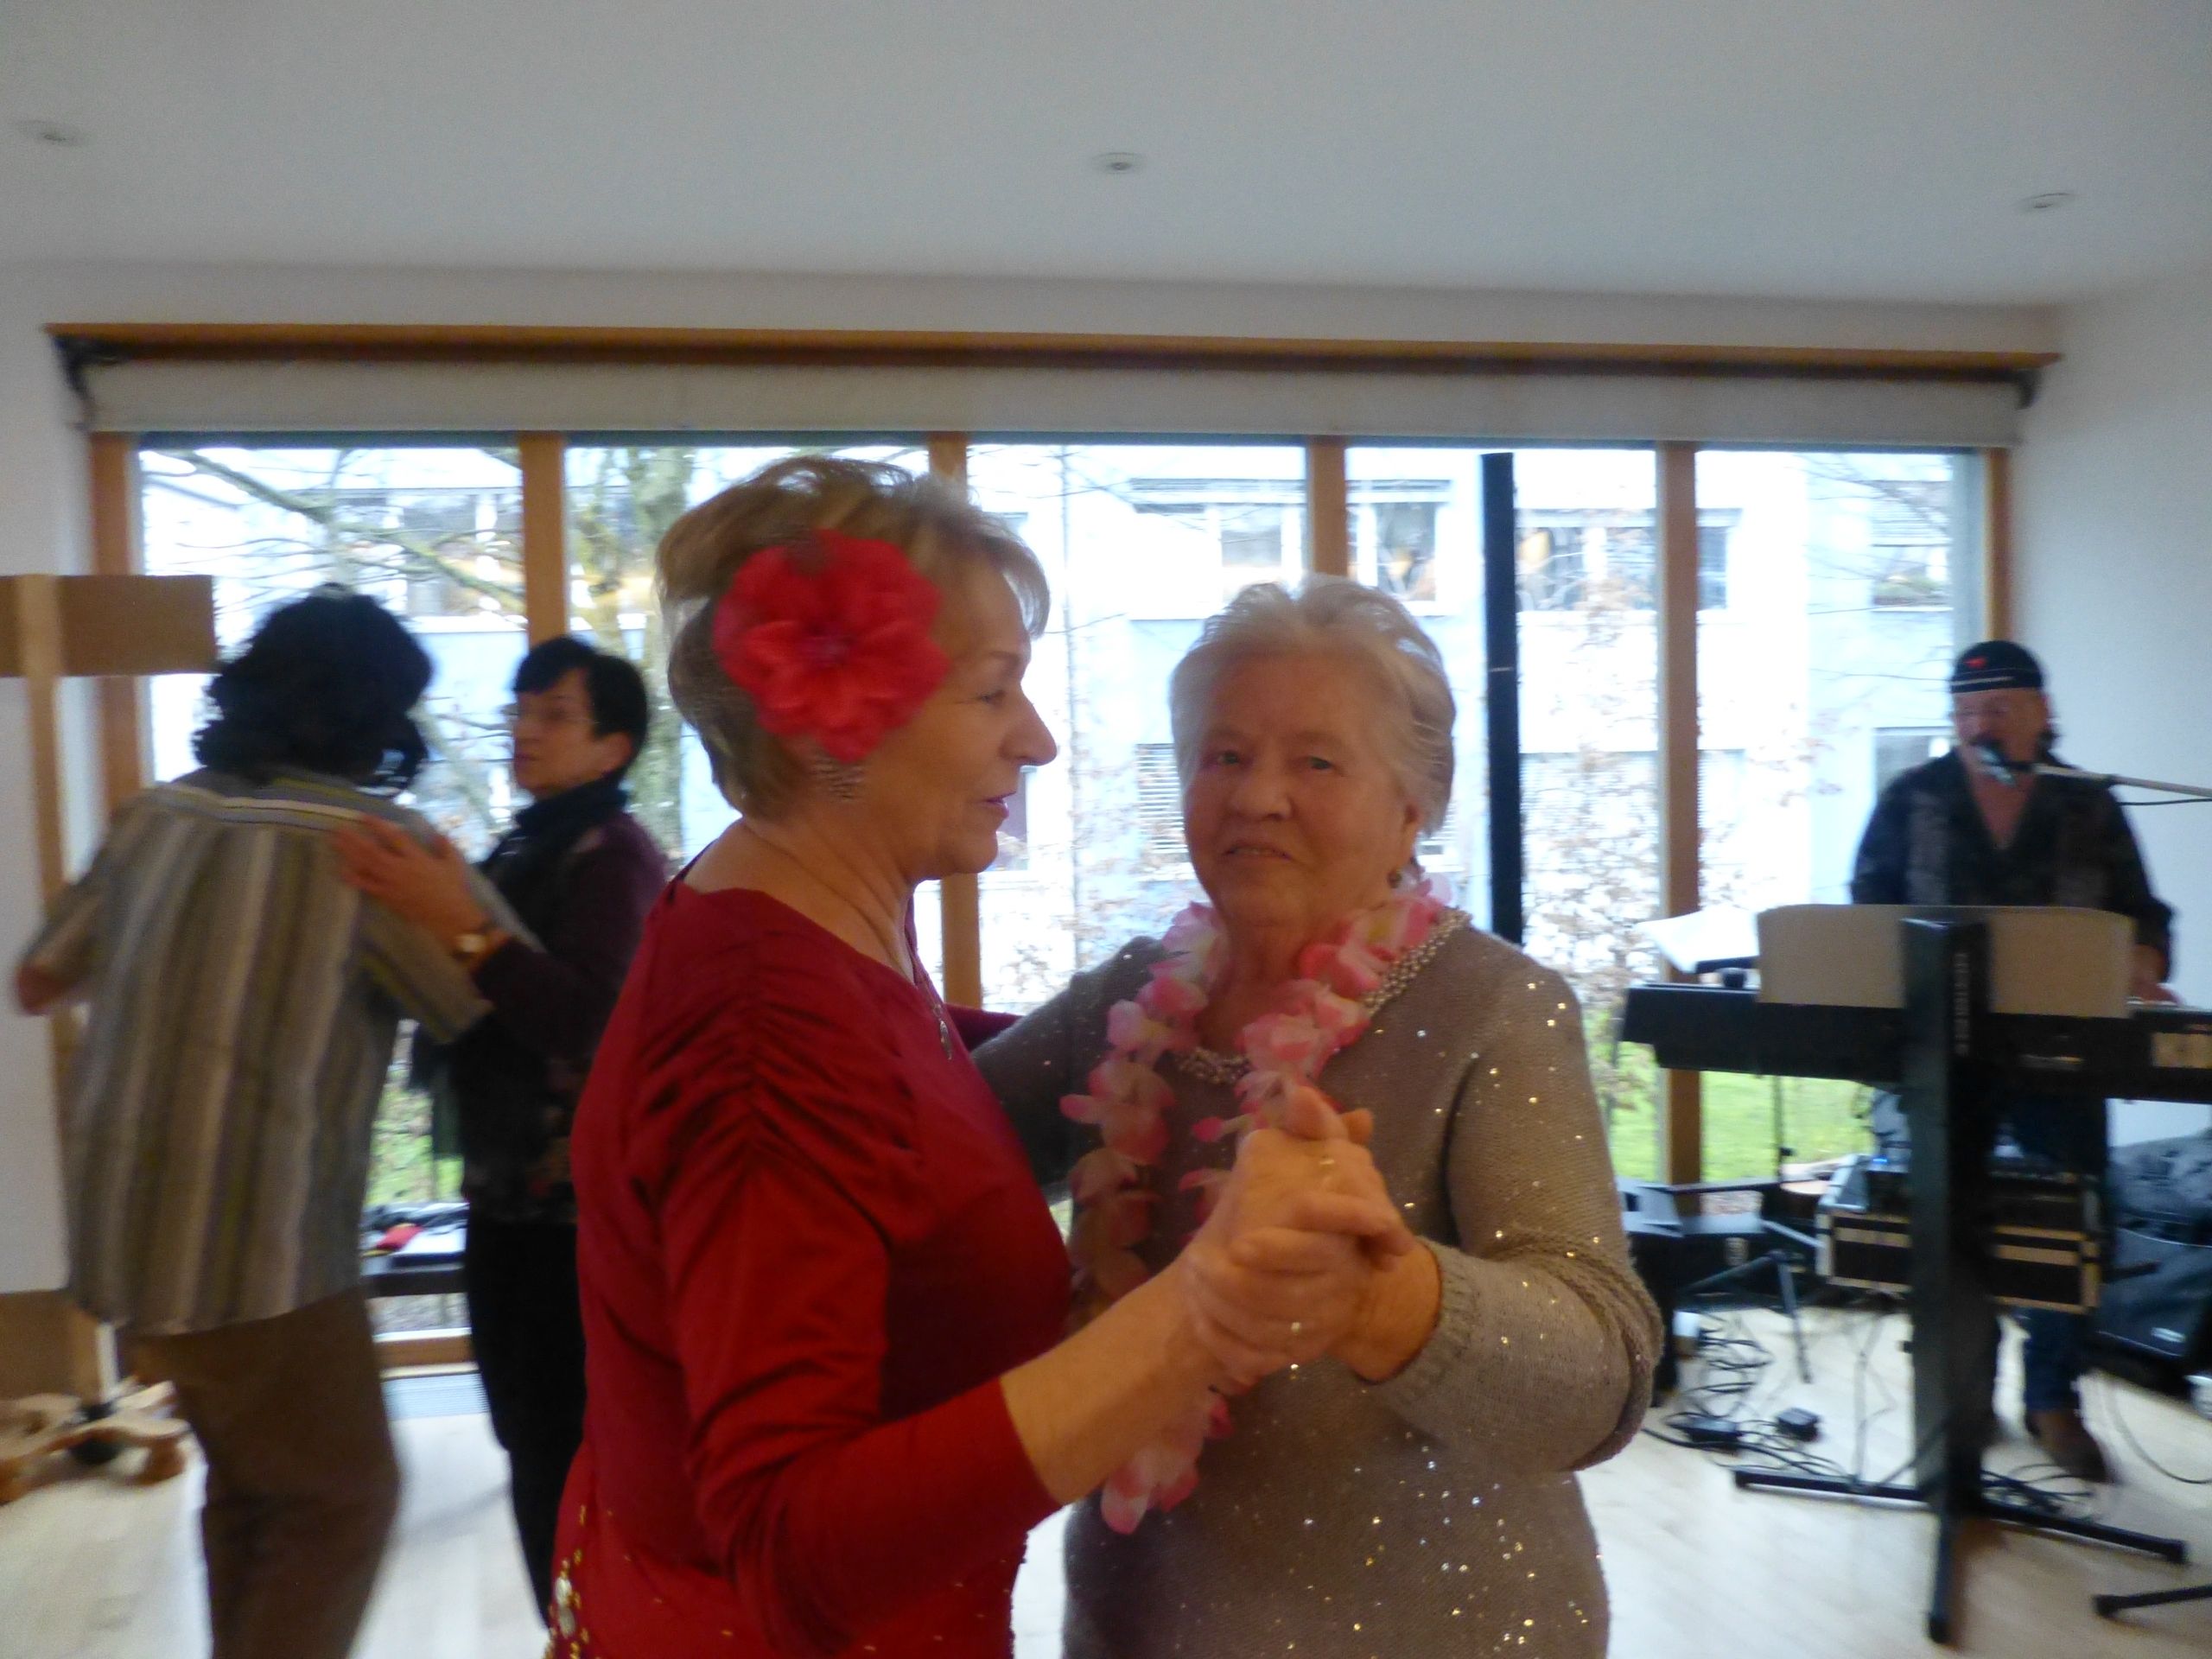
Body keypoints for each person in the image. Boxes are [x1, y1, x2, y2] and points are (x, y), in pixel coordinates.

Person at [548, 457, 1411, 1658]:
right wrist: (1202, 1309)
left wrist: (1192, 1039)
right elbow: (787, 1544)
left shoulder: (812, 923)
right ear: (848, 717)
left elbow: (901, 1095)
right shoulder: (763, 1036)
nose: (1037, 741)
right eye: (995, 691)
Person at [974, 576, 1662, 1659]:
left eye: (1317, 762)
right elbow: (932, 1153)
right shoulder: (1127, 1000)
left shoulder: (1494, 1008)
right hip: (1134, 1627)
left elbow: (1601, 1375)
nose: (1257, 797)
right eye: (1223, 755)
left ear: (1412, 807)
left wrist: (1382, 1300)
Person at [11, 589, 506, 1659]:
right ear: (381, 716)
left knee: (251, 1491)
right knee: (342, 1501)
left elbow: (38, 979)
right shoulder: (377, 846)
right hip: (257, 1254)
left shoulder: (155, 815)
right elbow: (493, 1006)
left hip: (123, 1246)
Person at [332, 635, 666, 1613]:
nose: (525, 731)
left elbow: (593, 1021)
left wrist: (463, 926)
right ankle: (567, 1626)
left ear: (613, 748)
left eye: (554, 715)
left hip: (578, 1222)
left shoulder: (614, 855)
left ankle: (592, 1629)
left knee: (566, 1451)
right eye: (519, 711)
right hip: (508, 1199)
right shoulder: (529, 846)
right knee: (529, 1441)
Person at [1850, 638, 2174, 1481]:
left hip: (2060, 1061)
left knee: (2070, 1223)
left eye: (1996, 709)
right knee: (1946, 1220)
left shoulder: (2087, 803)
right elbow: (1866, 907)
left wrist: (2143, 962)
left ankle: (2052, 1400)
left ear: (2041, 713)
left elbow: (2143, 915)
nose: (1978, 726)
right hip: (1939, 1057)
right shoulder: (1913, 799)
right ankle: (1963, 1392)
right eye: (1964, 712)